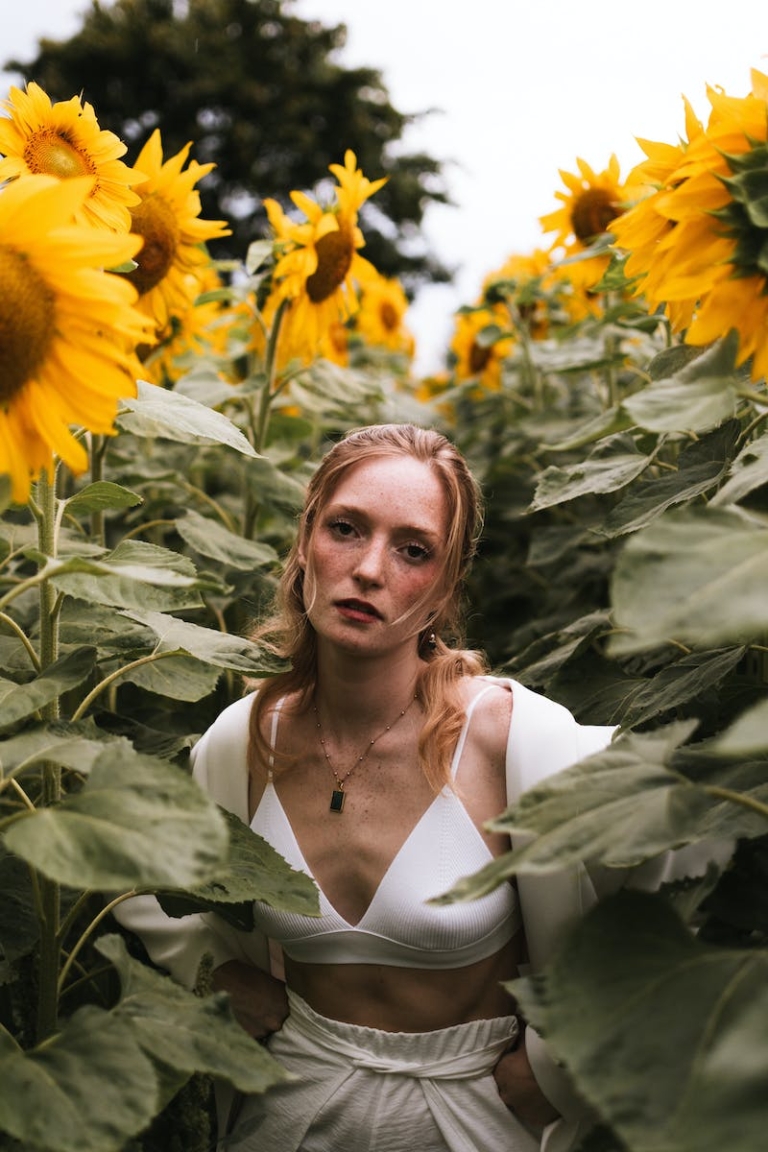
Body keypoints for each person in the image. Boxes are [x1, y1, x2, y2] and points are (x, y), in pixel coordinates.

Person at [116, 423, 678, 1151]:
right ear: (304, 541)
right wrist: (210, 971)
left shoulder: (515, 743)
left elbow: (679, 879)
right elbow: (140, 870)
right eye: (346, 529)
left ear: (445, 586)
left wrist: (561, 1067)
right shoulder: (245, 740)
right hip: (289, 1113)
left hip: (474, 1121)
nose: (370, 569)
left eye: (414, 550)